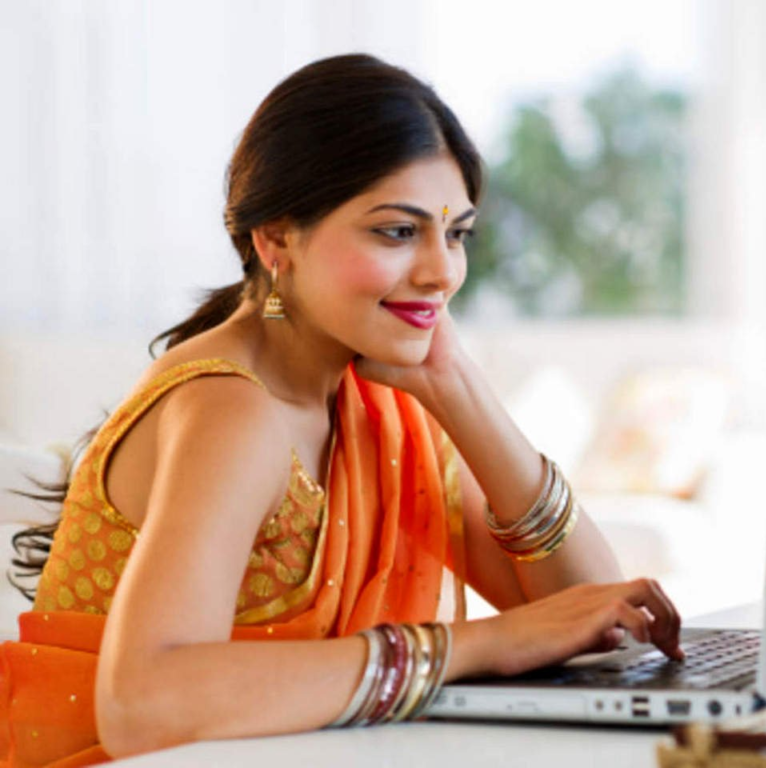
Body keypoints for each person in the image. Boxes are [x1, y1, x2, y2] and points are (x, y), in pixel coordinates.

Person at [1, 53, 683, 766]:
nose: (441, 271)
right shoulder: (228, 408)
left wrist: (456, 385)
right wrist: (479, 646)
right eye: (396, 231)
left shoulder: (382, 401)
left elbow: (595, 611)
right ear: (276, 240)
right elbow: (144, 707)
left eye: (456, 234)